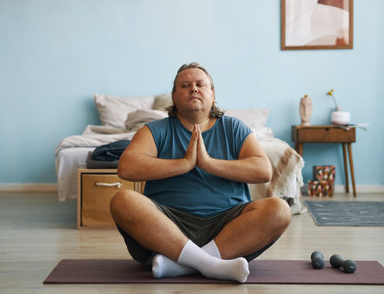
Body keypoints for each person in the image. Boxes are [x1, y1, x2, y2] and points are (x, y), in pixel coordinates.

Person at [110, 62, 291, 283]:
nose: (193, 89)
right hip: (167, 228)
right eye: (185, 85)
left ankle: (182, 264)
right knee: (123, 200)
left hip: (227, 228)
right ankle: (210, 264)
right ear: (174, 97)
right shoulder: (155, 130)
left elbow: (263, 171)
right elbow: (126, 167)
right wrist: (185, 163)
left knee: (280, 209)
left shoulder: (234, 127)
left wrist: (207, 163)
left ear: (212, 94)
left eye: (200, 84)